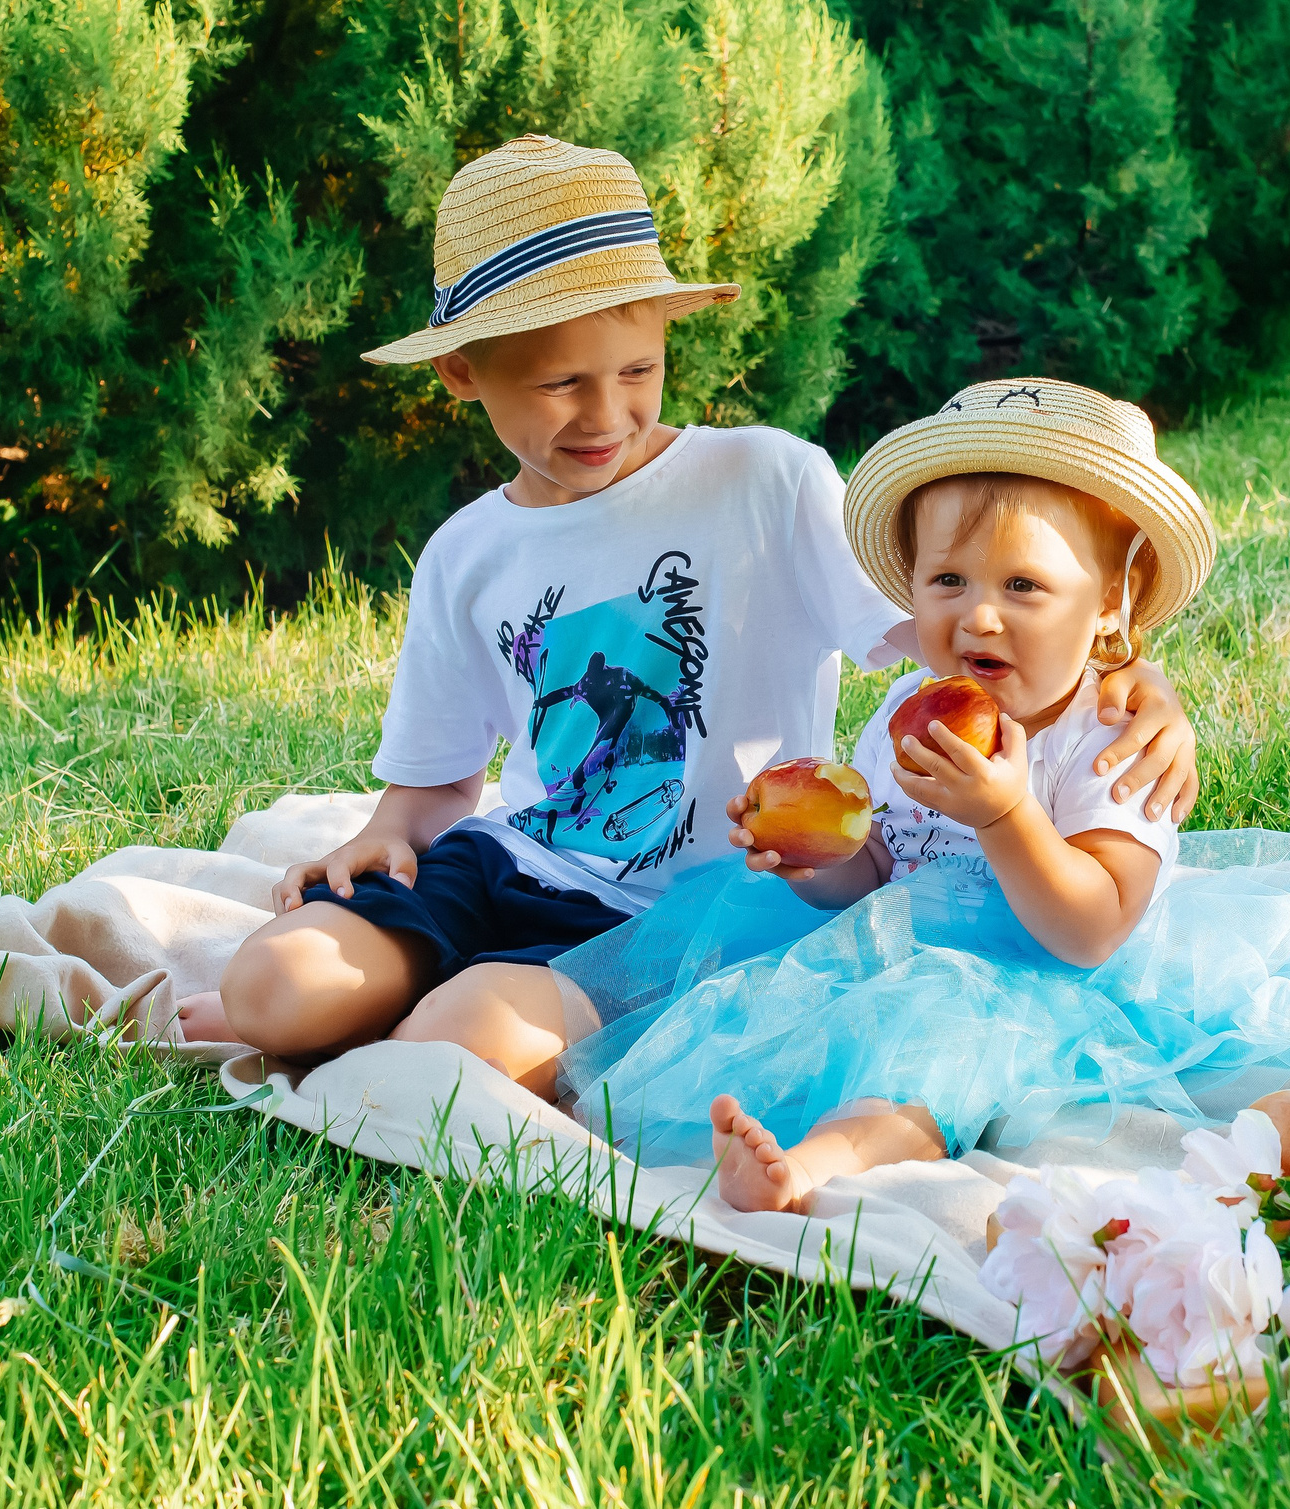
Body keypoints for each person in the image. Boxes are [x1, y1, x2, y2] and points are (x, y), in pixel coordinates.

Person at [173, 140, 1203, 1088]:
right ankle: (333, 1005)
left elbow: (962, 638)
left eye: (635, 370)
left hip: (696, 912)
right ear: (460, 372)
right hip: (510, 861)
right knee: (279, 987)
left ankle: (427, 1014)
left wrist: (1132, 676)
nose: (607, 412)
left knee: (442, 1051)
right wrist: (380, 835)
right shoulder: (465, 555)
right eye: (559, 382)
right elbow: (434, 785)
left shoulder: (766, 480)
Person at [547, 377, 1290, 1212]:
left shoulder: (1110, 742)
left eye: (1023, 585)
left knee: (935, 1050)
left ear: (1108, 606)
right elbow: (879, 870)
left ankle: (817, 1162)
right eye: (946, 577)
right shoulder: (909, 708)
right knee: (775, 988)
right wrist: (818, 858)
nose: (977, 610)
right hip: (900, 942)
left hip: (1039, 978)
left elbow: (1090, 927)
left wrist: (1007, 813)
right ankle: (724, 1108)